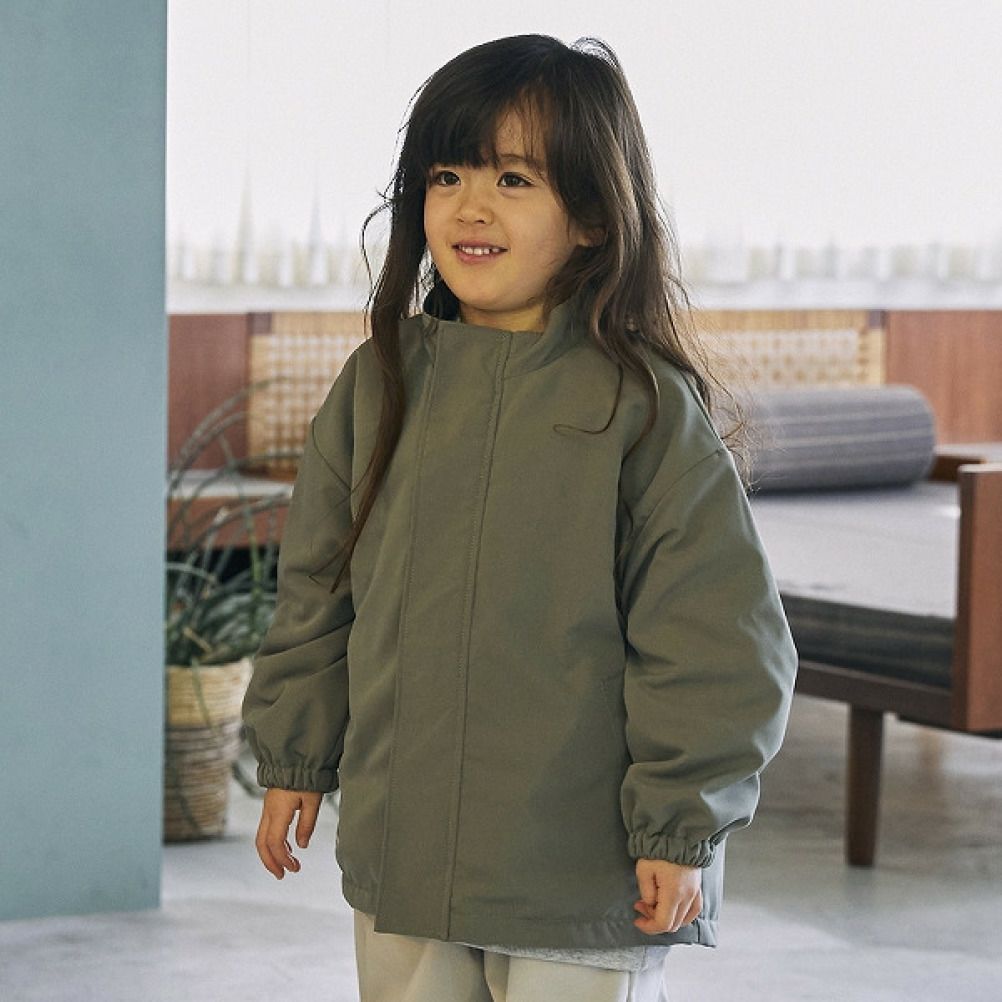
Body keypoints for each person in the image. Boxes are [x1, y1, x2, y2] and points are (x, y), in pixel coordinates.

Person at [241, 33, 799, 1002]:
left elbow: (715, 635)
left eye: (513, 179)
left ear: (591, 215)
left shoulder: (642, 408)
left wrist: (682, 822)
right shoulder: (378, 385)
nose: (471, 206)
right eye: (446, 175)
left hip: (581, 870)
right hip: (408, 849)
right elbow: (318, 594)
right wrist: (297, 752)